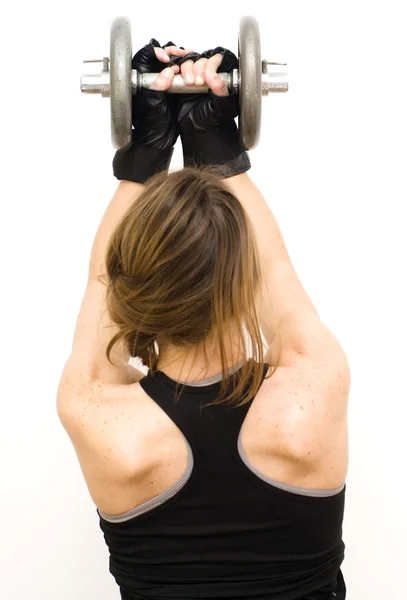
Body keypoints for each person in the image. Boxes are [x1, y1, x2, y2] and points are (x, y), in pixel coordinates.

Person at [57, 37, 351, 600]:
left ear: (131, 288)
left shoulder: (97, 412)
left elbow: (102, 282)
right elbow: (279, 271)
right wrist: (215, 144)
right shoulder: (312, 389)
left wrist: (145, 151)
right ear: (246, 287)